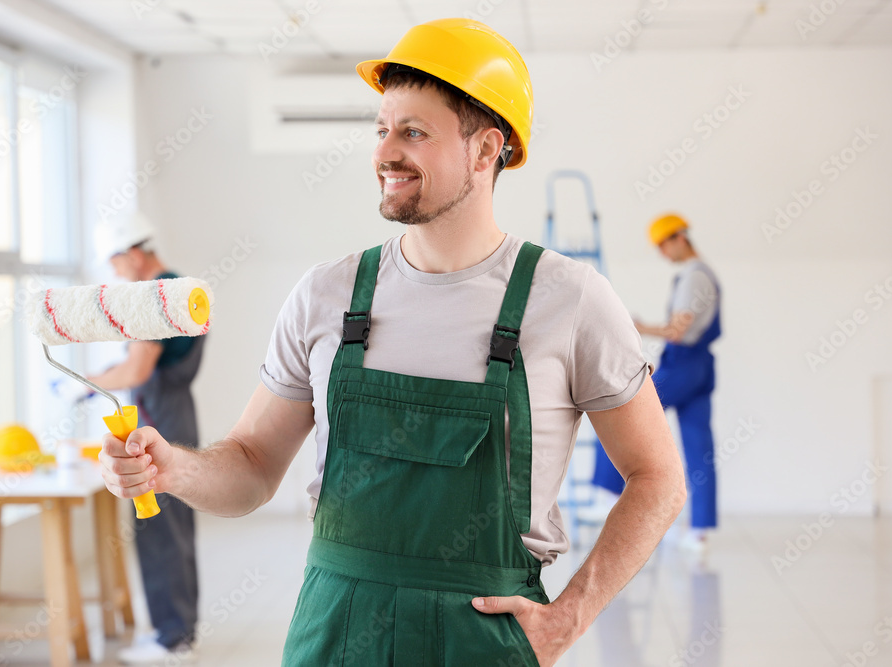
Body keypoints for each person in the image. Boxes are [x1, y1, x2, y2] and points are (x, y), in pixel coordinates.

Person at [98, 19, 686, 666]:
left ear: (486, 150)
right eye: (382, 129)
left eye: (413, 132)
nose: (384, 153)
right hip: (332, 636)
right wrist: (172, 466)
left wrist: (567, 617)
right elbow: (253, 464)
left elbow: (657, 477)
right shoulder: (326, 294)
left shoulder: (569, 299)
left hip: (480, 642)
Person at [90, 213, 203, 663]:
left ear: (134, 255)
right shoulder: (178, 291)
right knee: (173, 527)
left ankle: (171, 640)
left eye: (116, 265)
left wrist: (85, 381)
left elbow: (137, 370)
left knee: (156, 525)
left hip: (160, 420)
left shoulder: (153, 297)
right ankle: (179, 632)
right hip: (176, 416)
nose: (116, 275)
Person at [592, 214, 721, 553]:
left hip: (685, 364)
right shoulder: (701, 275)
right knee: (698, 445)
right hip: (701, 367)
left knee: (625, 408)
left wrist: (639, 327)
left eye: (664, 245)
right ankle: (700, 532)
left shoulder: (695, 278)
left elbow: (678, 331)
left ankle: (606, 492)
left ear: (680, 238)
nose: (663, 253)